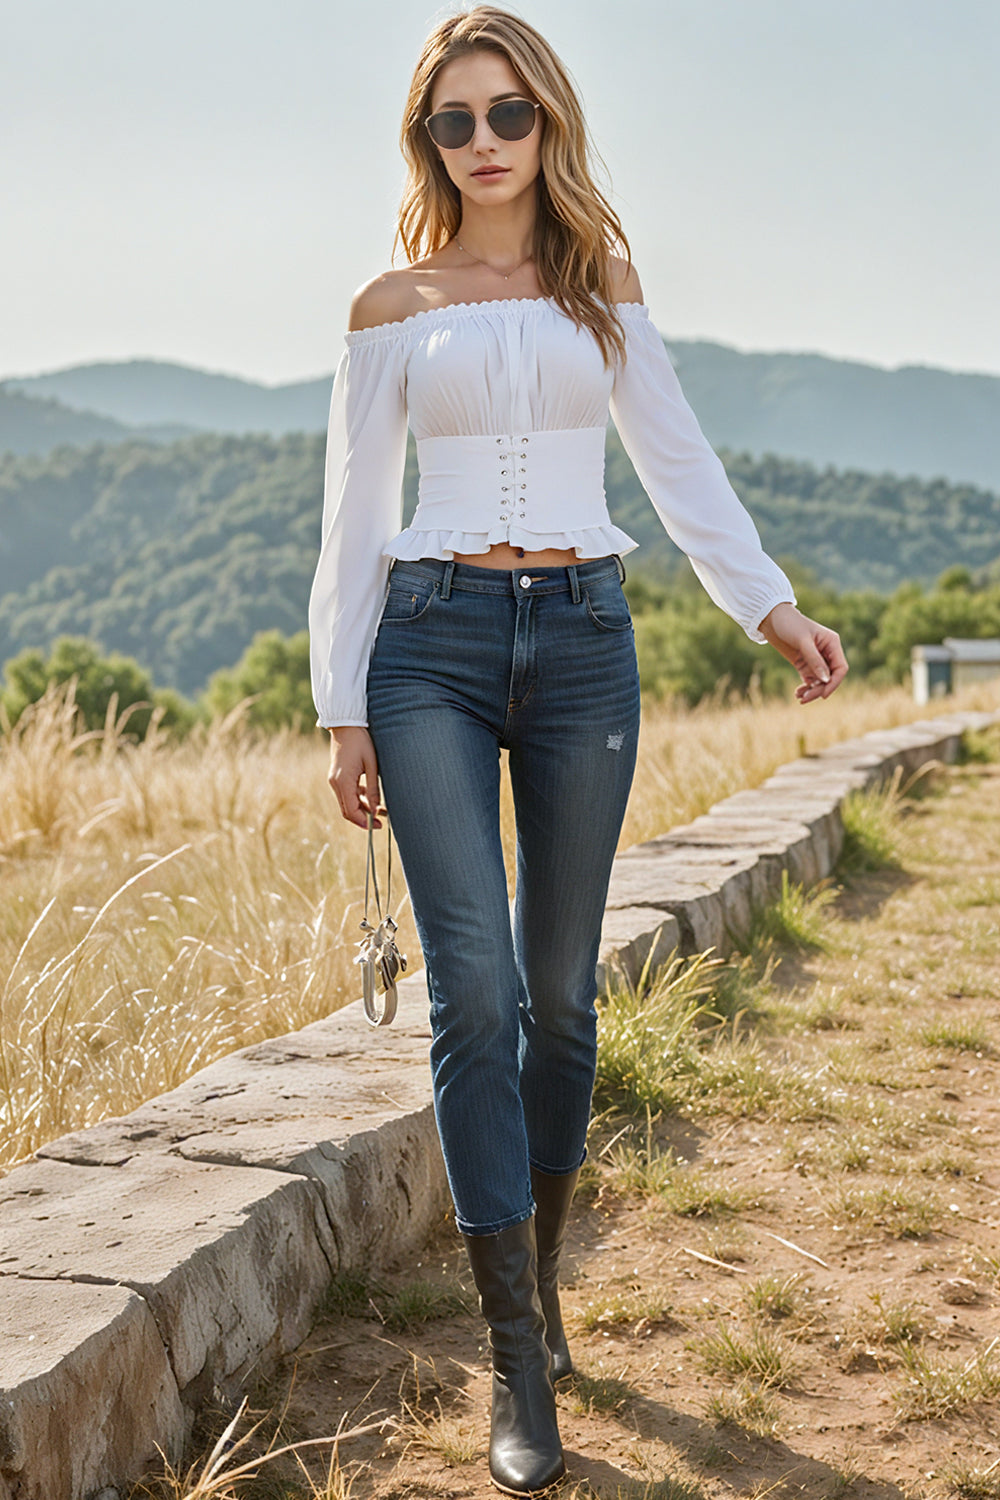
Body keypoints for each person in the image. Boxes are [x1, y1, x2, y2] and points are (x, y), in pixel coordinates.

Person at [308, 7, 848, 1492]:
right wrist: (338, 705)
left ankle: (542, 1288)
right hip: (427, 645)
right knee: (472, 991)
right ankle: (513, 1360)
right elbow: (353, 517)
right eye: (451, 123)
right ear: (425, 142)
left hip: (586, 640)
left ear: (550, 120)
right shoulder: (388, 302)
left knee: (560, 990)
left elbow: (675, 458)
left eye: (507, 115)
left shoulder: (598, 279)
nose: (483, 144)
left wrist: (769, 605)